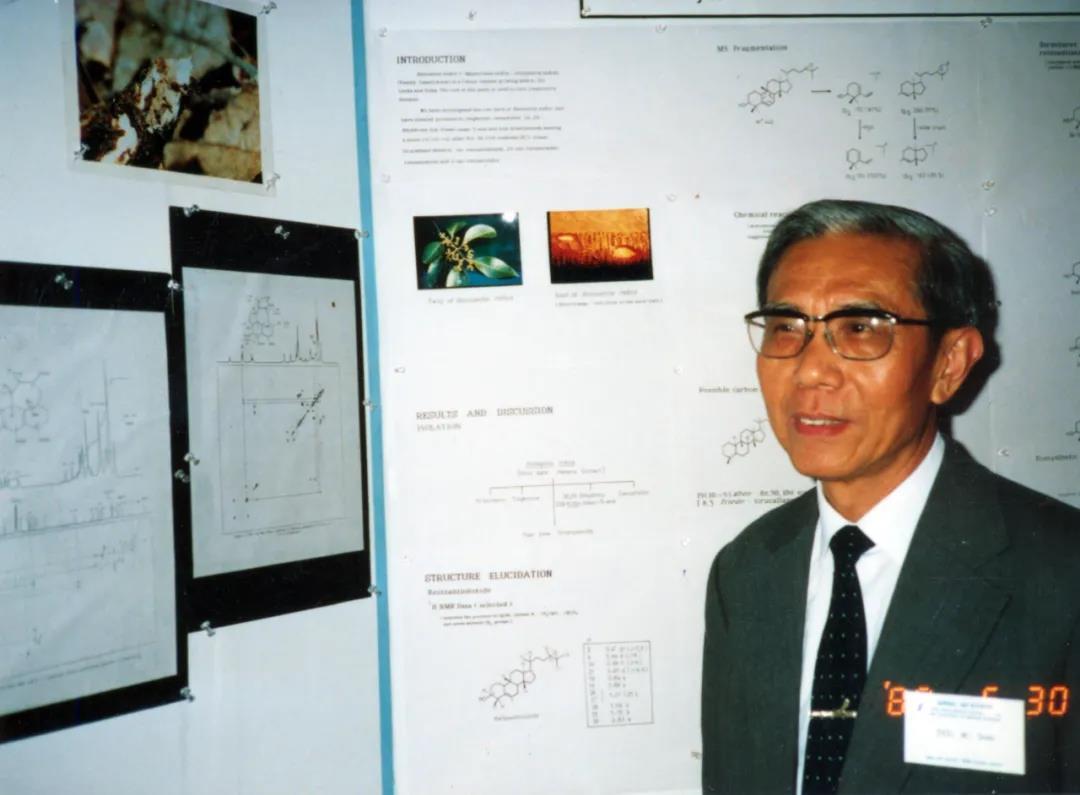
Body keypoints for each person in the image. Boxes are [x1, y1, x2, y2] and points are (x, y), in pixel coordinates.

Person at [701, 199, 1080, 794]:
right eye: (787, 327)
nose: (810, 371)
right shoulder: (746, 571)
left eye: (860, 328)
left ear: (949, 364)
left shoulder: (1061, 574)